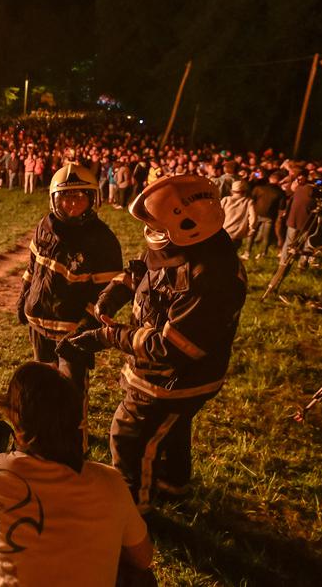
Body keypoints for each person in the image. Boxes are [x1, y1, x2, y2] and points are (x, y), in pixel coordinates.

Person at [60, 174, 248, 512]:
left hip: (173, 380)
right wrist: (111, 295)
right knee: (171, 429)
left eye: (160, 228)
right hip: (173, 377)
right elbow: (144, 272)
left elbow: (170, 347)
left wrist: (106, 336)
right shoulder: (185, 246)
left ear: (190, 224)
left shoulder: (210, 276)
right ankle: (172, 485)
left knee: (128, 436)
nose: (154, 235)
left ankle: (132, 512)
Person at [0, 361, 153, 587]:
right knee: (140, 575)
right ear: (76, 422)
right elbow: (143, 558)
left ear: (16, 421)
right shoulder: (111, 482)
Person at [18, 165, 123, 364]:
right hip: (38, 327)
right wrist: (23, 297)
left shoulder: (103, 240)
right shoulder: (44, 227)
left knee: (70, 390)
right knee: (43, 385)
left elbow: (106, 293)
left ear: (92, 199)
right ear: (54, 200)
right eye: (66, 198)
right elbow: (33, 267)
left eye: (80, 198)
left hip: (72, 334)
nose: (72, 204)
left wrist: (84, 328)